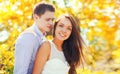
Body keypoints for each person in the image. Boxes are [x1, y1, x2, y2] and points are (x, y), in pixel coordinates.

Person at [14, 2, 55, 74]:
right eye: (47, 19)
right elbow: (20, 71)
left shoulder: (43, 38)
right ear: (36, 17)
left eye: (52, 20)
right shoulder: (28, 37)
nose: (51, 23)